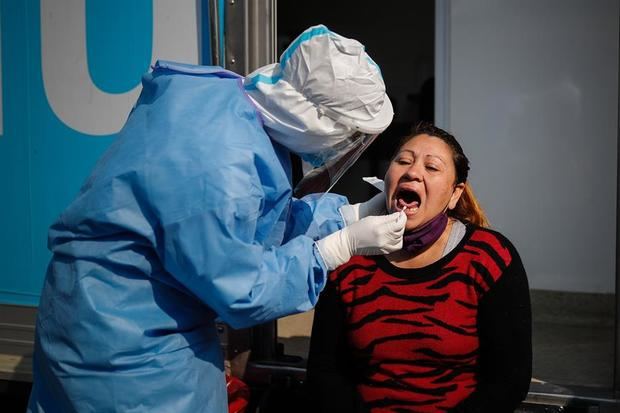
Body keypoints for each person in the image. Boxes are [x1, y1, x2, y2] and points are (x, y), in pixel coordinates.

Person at [27, 25, 407, 413]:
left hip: (100, 315)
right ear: (319, 123)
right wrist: (335, 249)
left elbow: (255, 225)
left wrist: (345, 216)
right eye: (349, 137)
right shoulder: (221, 168)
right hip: (128, 352)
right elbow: (241, 290)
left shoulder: (223, 107)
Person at [307, 122, 532, 413]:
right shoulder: (351, 256)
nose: (413, 172)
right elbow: (324, 373)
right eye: (403, 161)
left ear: (454, 194)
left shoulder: (489, 258)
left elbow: (508, 381)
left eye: (432, 167)